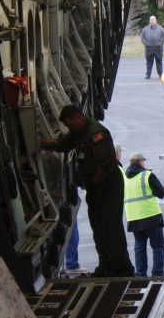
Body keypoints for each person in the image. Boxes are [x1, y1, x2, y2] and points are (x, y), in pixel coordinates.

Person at [40, 105, 134, 277]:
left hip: (107, 188)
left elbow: (105, 166)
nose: (69, 129)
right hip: (95, 188)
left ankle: (122, 268)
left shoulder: (97, 134)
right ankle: (106, 265)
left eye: (70, 125)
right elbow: (61, 145)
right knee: (97, 226)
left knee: (110, 228)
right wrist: (38, 143)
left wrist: (94, 188)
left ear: (78, 117)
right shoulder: (78, 132)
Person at [123, 151, 164, 277]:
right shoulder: (147, 175)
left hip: (134, 218)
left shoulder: (124, 178)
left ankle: (140, 275)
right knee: (158, 247)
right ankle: (157, 274)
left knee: (139, 248)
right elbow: (161, 193)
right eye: (143, 161)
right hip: (151, 216)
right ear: (140, 162)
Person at [140, 15, 164, 79]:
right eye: (151, 20)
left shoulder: (161, 29)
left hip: (158, 49)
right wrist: (146, 44)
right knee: (149, 63)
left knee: (159, 62)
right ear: (149, 21)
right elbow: (142, 38)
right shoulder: (145, 29)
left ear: (156, 20)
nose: (152, 21)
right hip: (148, 49)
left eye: (153, 20)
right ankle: (148, 75)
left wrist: (160, 43)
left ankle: (160, 74)